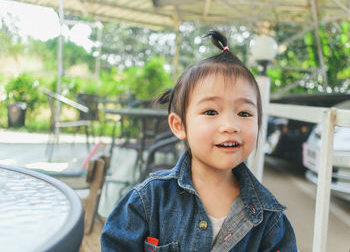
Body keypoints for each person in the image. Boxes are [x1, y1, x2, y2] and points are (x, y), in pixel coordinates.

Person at [101, 30, 297, 252]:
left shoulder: (270, 221)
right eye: (211, 112)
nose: (230, 125)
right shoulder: (148, 201)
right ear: (179, 125)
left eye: (244, 113)